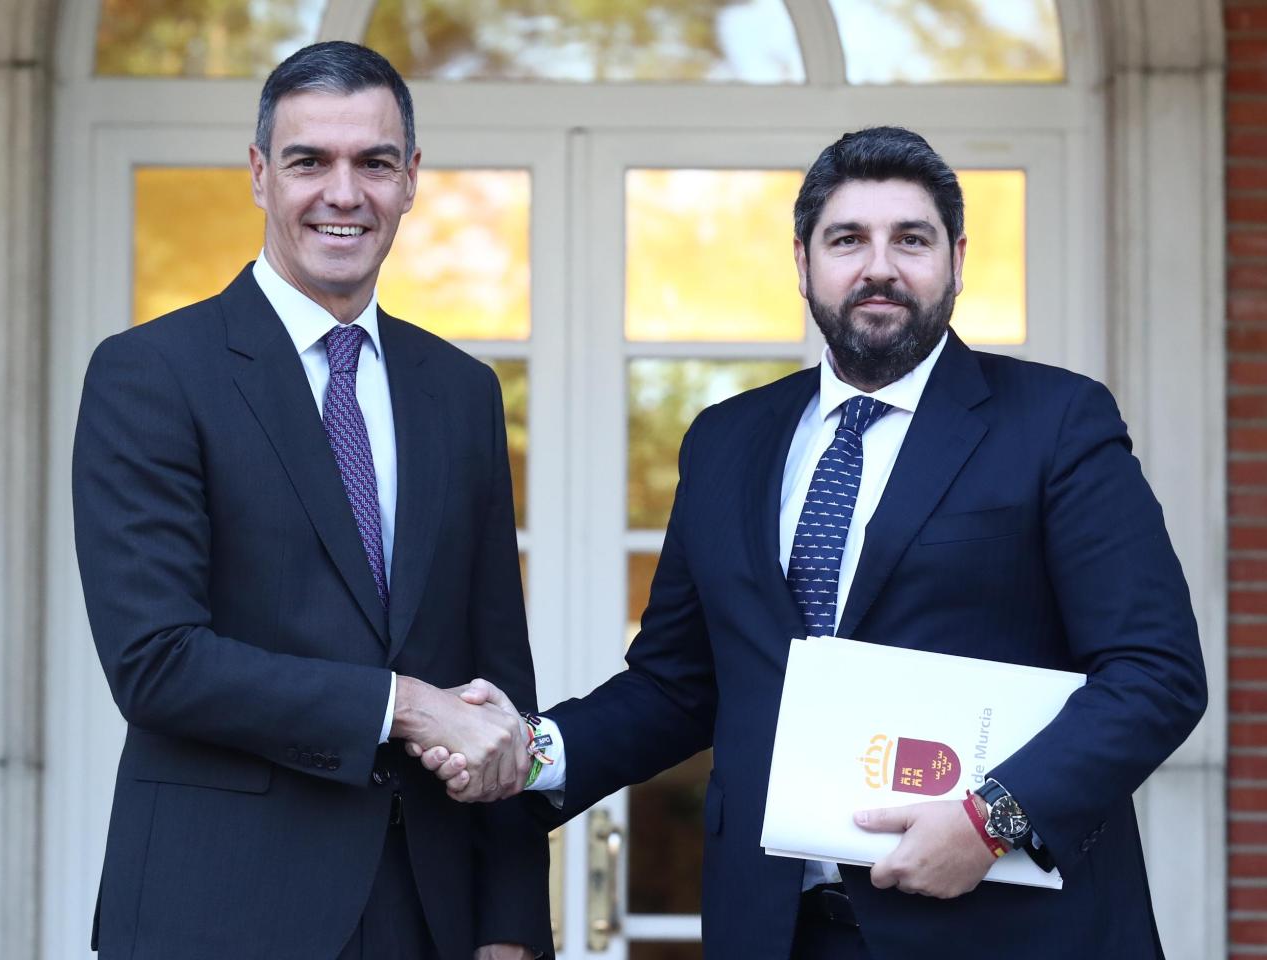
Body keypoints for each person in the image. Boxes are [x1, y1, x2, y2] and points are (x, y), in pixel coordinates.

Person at [418, 126, 1207, 959]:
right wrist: (527, 750)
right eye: (847, 240)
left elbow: (1155, 673)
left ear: (957, 260)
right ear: (802, 263)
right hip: (780, 928)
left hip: (1002, 927)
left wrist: (992, 822)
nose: (879, 267)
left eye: (911, 239)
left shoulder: (1056, 423)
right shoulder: (727, 441)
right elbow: (678, 687)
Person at [72, 41, 547, 960]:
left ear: (411, 179)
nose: (343, 192)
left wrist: (512, 924)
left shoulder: (460, 391)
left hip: (429, 910)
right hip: (217, 910)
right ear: (258, 175)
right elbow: (156, 661)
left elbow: (498, 677)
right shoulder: (151, 374)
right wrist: (404, 704)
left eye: (373, 162)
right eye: (308, 162)